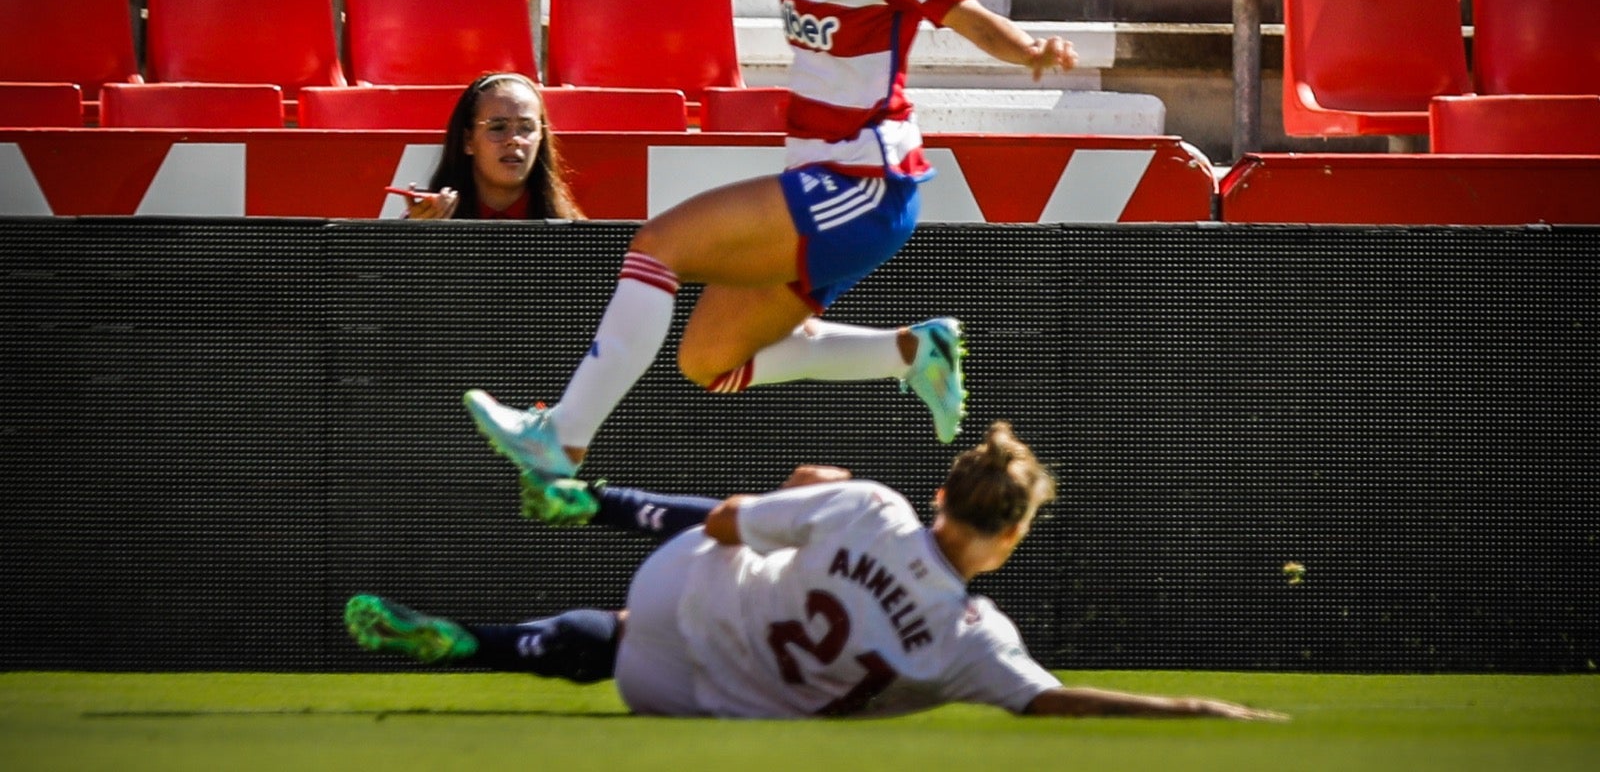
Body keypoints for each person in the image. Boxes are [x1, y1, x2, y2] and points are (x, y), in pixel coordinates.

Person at [461, 0, 1080, 510]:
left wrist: (1033, 52)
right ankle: (914, 351)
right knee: (708, 361)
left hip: (864, 185)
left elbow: (967, 14)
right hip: (836, 191)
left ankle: (561, 438)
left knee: (657, 248)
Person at [346, 422, 1283, 722]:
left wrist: (795, 498)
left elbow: (722, 522)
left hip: (687, 593)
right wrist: (1189, 711)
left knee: (789, 502)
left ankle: (579, 509)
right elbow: (1050, 703)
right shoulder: (976, 641)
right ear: (1009, 540)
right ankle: (496, 625)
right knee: (623, 644)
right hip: (700, 696)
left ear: (940, 494)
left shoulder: (875, 507)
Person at [396, 72, 584, 221]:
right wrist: (419, 238)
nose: (514, 139)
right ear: (468, 141)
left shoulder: (574, 235)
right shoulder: (426, 220)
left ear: (542, 138)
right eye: (498, 127)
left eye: (527, 128)